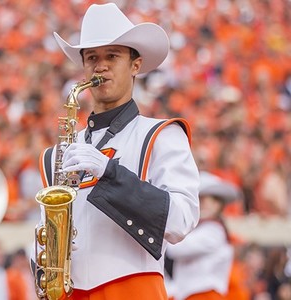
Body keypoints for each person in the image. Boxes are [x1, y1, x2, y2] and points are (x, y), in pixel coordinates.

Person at [34, 3, 200, 299]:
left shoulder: (161, 135)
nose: (100, 66)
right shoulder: (57, 154)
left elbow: (182, 221)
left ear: (135, 65)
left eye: (112, 56)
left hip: (133, 290)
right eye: (92, 58)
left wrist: (111, 174)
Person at [165, 171, 241, 300]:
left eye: (205, 199)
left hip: (204, 295)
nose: (201, 204)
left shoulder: (214, 231)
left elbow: (175, 248)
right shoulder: (205, 228)